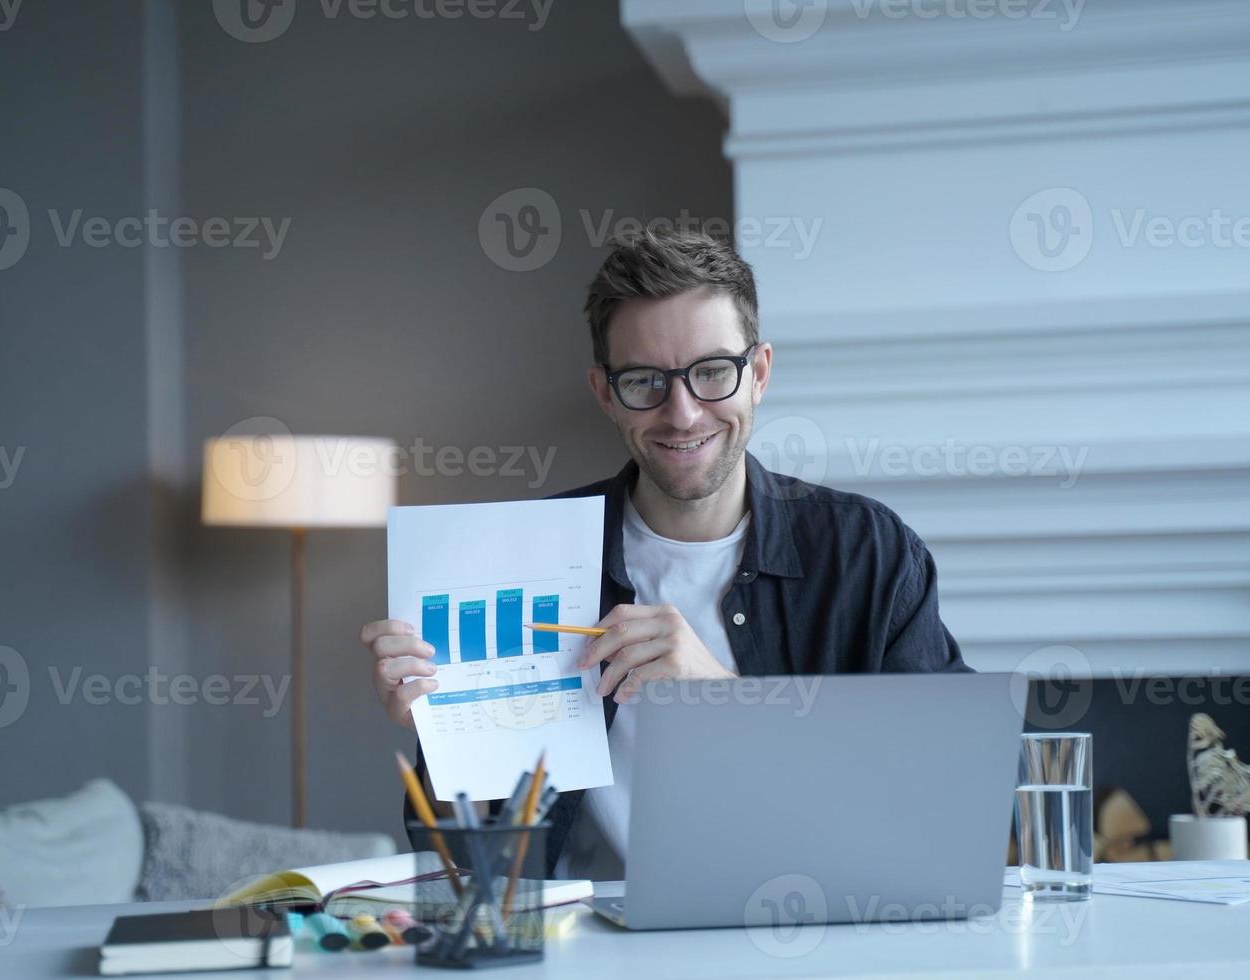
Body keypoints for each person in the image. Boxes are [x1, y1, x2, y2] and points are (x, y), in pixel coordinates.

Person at [359, 229, 970, 878]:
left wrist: (726, 702)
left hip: (807, 928)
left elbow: (953, 789)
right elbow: (470, 865)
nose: (682, 414)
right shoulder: (515, 559)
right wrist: (448, 728)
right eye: (646, 380)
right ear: (604, 392)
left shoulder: (867, 553)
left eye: (711, 372)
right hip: (588, 948)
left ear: (758, 373)